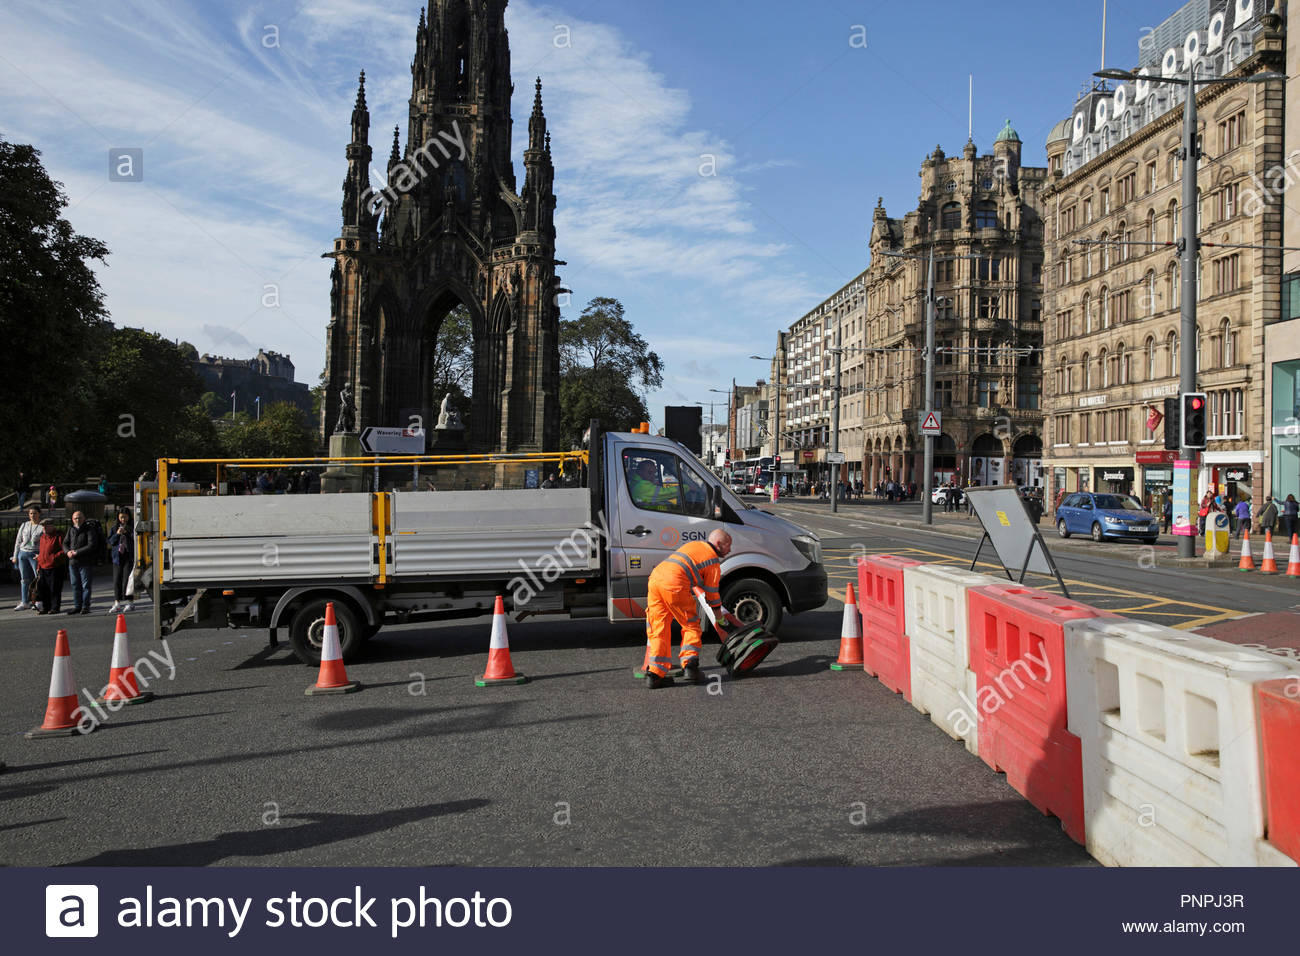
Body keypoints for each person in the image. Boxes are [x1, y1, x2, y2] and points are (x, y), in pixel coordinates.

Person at [642, 529, 732, 689]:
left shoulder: (694, 545)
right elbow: (712, 595)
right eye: (728, 546)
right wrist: (720, 619)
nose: (729, 550)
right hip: (674, 584)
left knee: (658, 628)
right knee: (690, 625)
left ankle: (655, 675)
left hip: (655, 579)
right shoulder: (712, 560)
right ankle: (690, 667)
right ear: (718, 544)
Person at [63, 510, 101, 614]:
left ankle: (85, 606)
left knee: (86, 586)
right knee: (75, 585)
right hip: (73, 562)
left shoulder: (89, 529)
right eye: (75, 518)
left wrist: (77, 552)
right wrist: (67, 552)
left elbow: (92, 545)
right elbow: (65, 543)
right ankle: (77, 606)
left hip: (85, 562)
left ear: (84, 518)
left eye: (79, 517)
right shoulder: (71, 529)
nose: (77, 520)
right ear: (72, 519)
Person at [10, 505, 43, 609]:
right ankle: (25, 601)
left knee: (37, 578)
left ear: (39, 514)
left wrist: (41, 555)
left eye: (35, 513)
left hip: (35, 554)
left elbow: (44, 543)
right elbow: (18, 541)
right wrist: (15, 555)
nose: (33, 515)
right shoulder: (24, 525)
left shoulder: (42, 527)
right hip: (23, 553)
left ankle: (38, 600)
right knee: (24, 579)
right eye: (31, 513)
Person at [107, 508, 135, 613]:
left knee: (127, 580)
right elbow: (110, 541)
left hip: (128, 556)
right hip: (117, 557)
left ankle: (130, 602)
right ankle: (117, 602)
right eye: (121, 517)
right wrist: (117, 534)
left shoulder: (131, 527)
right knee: (117, 580)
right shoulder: (114, 528)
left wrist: (127, 532)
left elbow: (135, 539)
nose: (123, 519)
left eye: (125, 517)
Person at [35, 518, 65, 614]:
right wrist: (39, 566)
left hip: (55, 566)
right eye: (43, 527)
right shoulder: (43, 537)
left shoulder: (59, 536)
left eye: (46, 526)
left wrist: (53, 558)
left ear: (52, 526)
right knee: (44, 589)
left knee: (55, 588)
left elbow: (64, 550)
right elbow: (41, 552)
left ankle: (55, 607)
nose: (44, 528)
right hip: (43, 566)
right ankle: (46, 607)